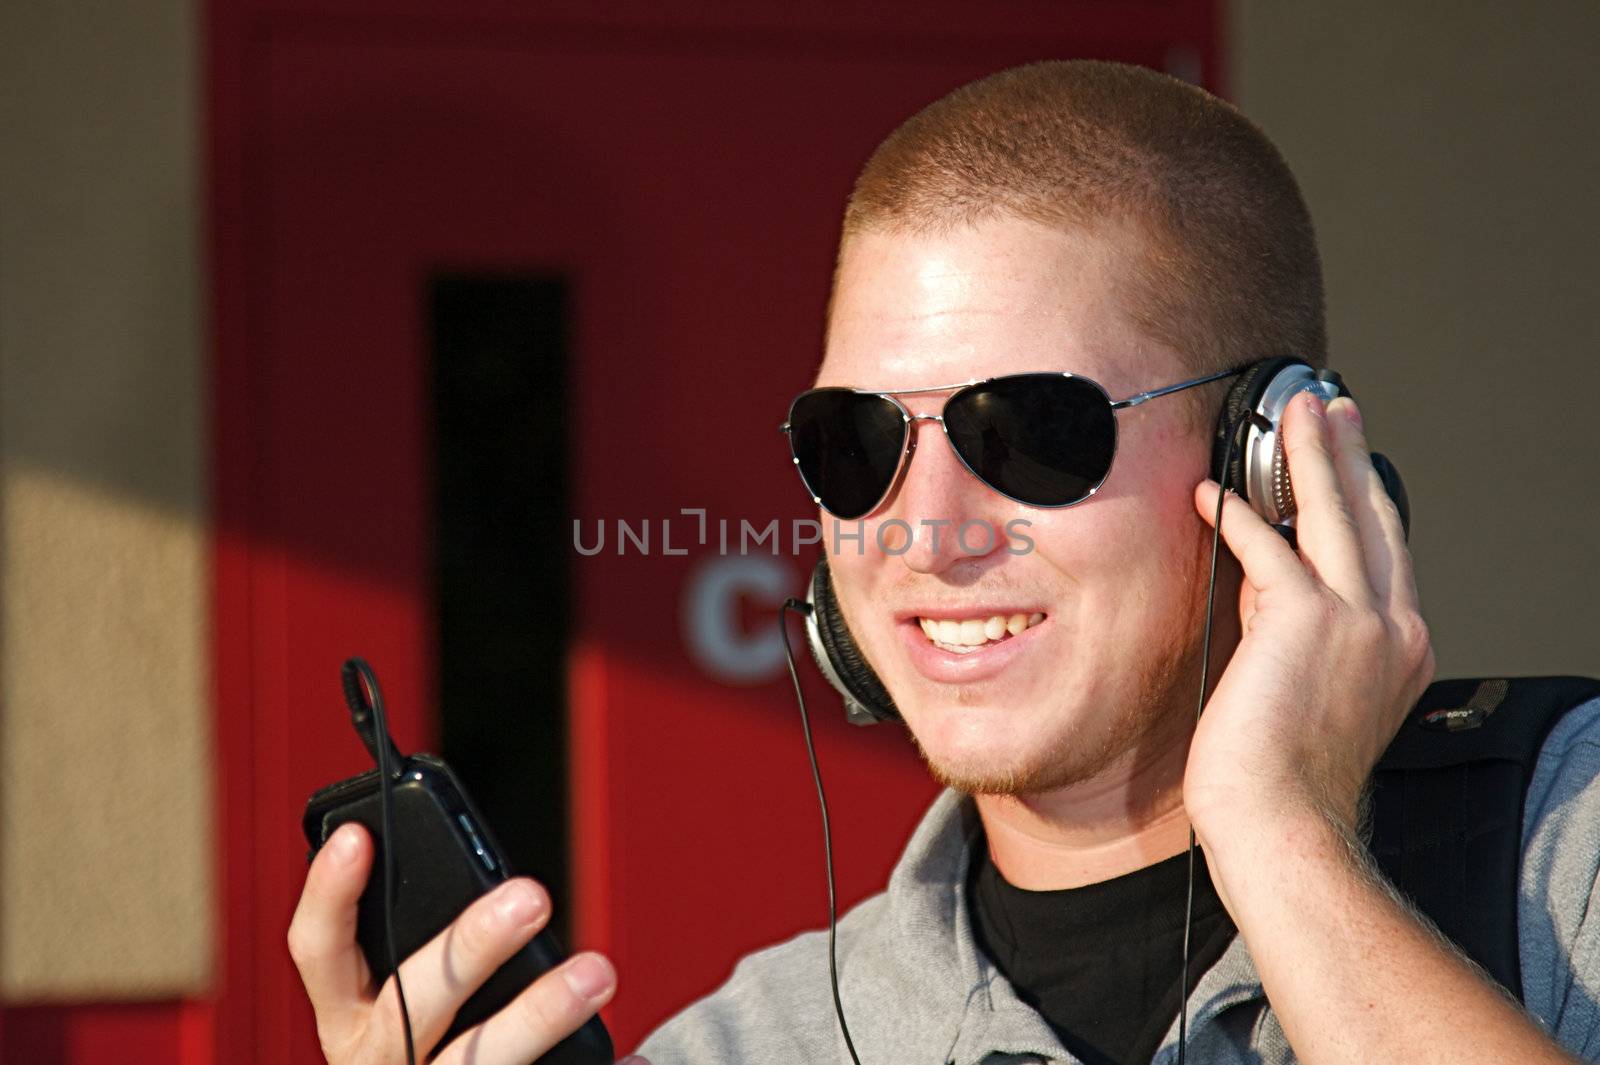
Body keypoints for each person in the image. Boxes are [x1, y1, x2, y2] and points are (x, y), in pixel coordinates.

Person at [289, 60, 1600, 1064]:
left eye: (1027, 429)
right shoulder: (753, 1043)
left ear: (1273, 454)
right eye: (854, 441)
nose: (928, 527)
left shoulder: (1569, 847)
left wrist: (1287, 843)